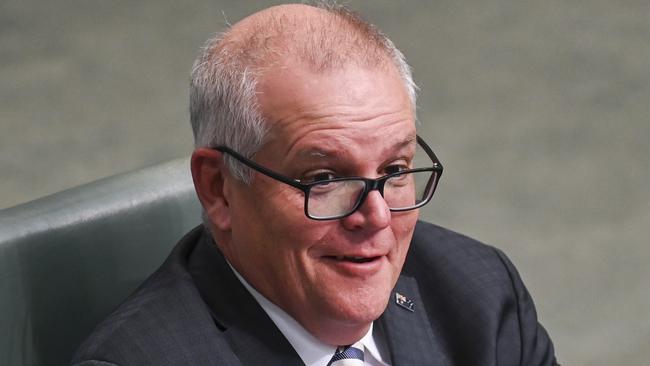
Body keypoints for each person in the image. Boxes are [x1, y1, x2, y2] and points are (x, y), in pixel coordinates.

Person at [71, 3, 558, 366]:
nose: (376, 218)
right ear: (219, 188)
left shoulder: (480, 292)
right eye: (324, 179)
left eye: (393, 172)